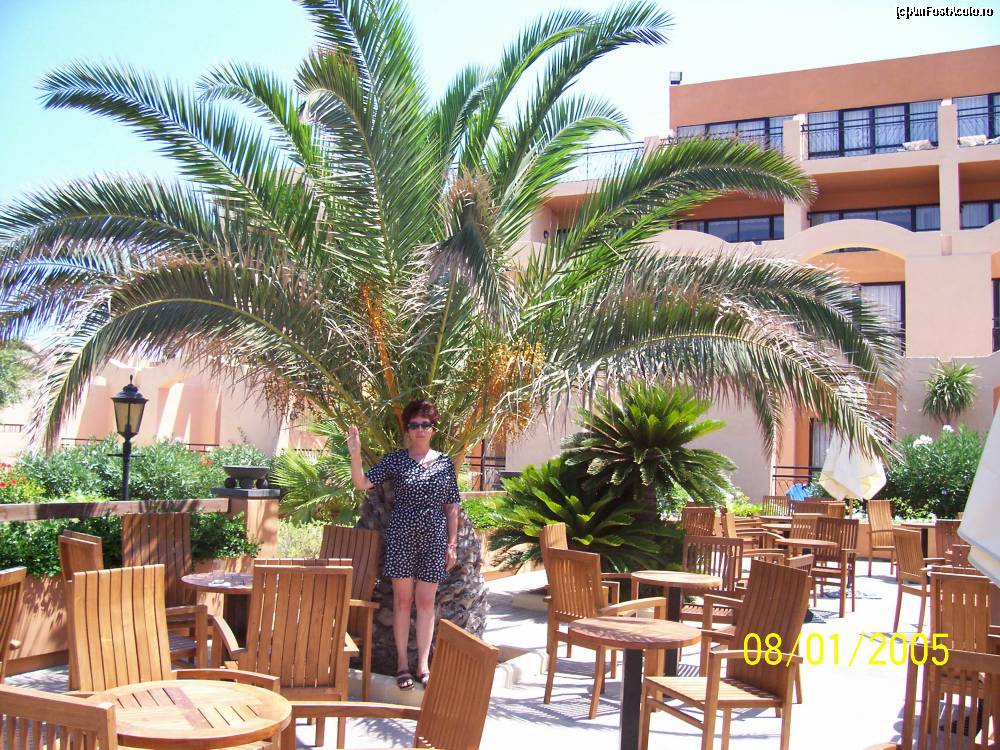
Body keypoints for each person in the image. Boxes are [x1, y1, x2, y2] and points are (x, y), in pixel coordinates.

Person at [346, 399, 460, 690]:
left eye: (425, 424)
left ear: (433, 429)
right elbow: (361, 483)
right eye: (414, 425)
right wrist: (355, 454)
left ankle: (422, 664)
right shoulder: (396, 460)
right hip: (401, 537)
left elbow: (451, 506)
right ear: (407, 430)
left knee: (426, 602)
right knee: (402, 601)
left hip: (434, 538)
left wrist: (452, 544)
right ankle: (401, 665)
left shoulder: (445, 463)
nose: (420, 429)